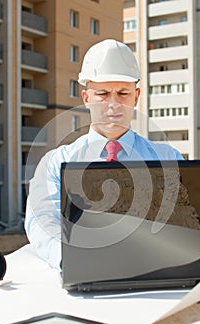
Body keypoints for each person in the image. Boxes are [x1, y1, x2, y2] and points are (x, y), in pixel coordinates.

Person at [25, 39, 183, 270]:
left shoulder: (168, 158)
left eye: (122, 93)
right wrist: (72, 259)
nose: (114, 104)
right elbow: (42, 222)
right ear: (86, 98)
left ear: (136, 97)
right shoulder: (56, 163)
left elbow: (188, 219)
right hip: (84, 274)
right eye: (103, 93)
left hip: (155, 273)